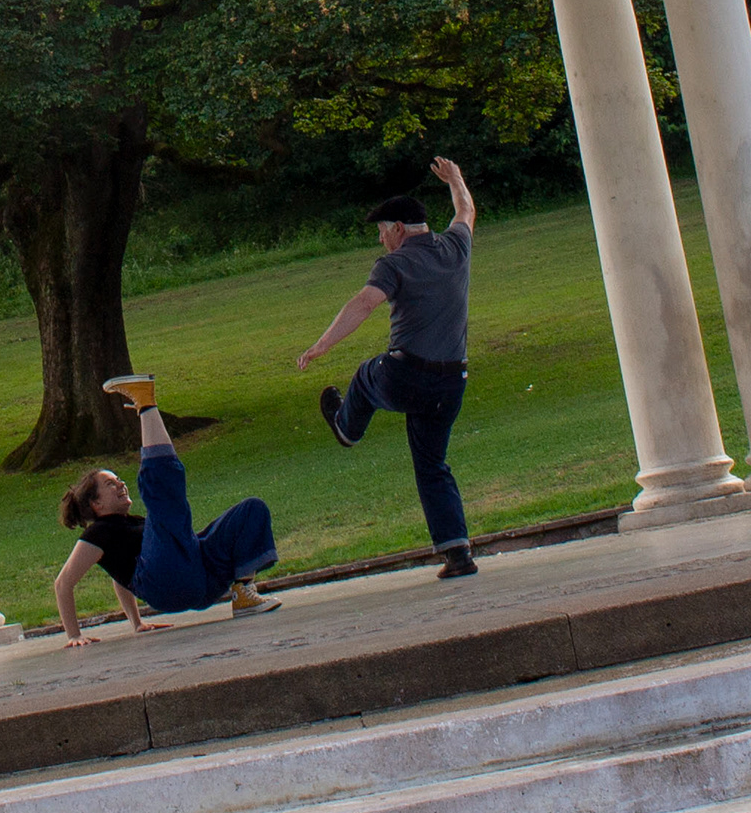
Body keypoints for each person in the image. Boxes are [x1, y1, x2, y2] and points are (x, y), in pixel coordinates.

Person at [298, 157, 480, 579]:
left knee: (366, 374)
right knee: (432, 463)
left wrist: (322, 345)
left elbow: (363, 303)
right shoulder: (456, 247)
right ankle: (458, 554)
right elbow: (465, 211)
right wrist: (456, 179)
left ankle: (347, 428)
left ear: (398, 229)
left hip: (406, 375)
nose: (381, 241)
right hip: (452, 382)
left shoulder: (394, 265)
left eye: (382, 232)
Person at [53, 373, 279, 644]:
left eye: (118, 480)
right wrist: (74, 636)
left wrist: (137, 624)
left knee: (250, 511)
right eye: (110, 484)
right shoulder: (98, 534)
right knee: (162, 503)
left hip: (201, 580)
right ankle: (146, 403)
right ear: (96, 504)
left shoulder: (132, 525)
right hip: (167, 585)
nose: (120, 484)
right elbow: (63, 583)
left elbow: (119, 577)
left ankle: (243, 593)